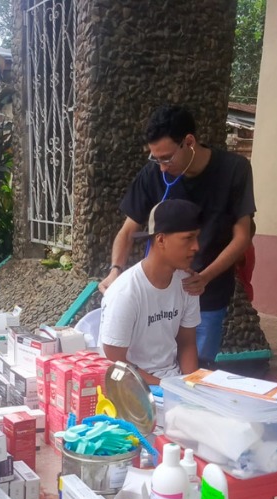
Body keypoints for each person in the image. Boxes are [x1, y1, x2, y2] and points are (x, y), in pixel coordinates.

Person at [99, 105, 255, 363]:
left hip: (205, 292)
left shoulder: (233, 170)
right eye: (156, 159)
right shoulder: (153, 174)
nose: (162, 168)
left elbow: (242, 237)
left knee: (197, 362)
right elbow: (128, 230)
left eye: (167, 158)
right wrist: (115, 269)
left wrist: (204, 278)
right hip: (158, 297)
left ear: (189, 142)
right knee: (153, 363)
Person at [100, 199, 201, 385]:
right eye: (188, 238)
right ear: (161, 240)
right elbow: (114, 360)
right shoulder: (125, 292)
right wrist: (164, 385)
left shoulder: (187, 283)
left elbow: (187, 343)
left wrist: (191, 385)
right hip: (131, 385)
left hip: (173, 381)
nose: (196, 246)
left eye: (196, 238)